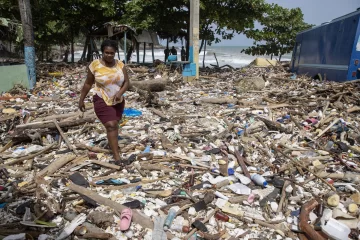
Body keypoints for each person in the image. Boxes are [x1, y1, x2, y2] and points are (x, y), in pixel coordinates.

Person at [79, 39, 129, 165]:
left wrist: (120, 93)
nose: (109, 55)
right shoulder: (95, 65)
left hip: (118, 100)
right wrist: (81, 100)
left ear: (115, 53)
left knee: (114, 126)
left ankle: (113, 146)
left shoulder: (120, 65)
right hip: (101, 98)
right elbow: (88, 83)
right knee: (111, 125)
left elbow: (127, 83)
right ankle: (117, 157)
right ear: (102, 52)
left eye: (112, 53)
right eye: (106, 52)